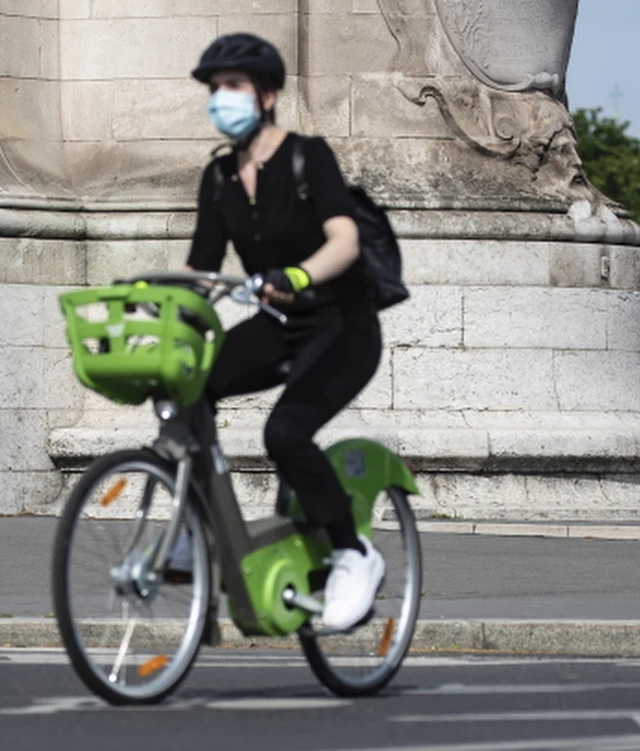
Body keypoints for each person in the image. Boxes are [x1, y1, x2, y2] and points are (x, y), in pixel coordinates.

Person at [183, 33, 383, 631]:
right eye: (215, 88)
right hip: (280, 324)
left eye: (234, 87)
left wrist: (297, 275)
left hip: (342, 324)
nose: (222, 98)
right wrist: (161, 308)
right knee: (190, 392)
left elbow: (344, 241)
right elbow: (201, 268)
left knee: (286, 431)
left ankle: (353, 552)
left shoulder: (307, 155)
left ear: (267, 95)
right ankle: (191, 531)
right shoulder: (219, 176)